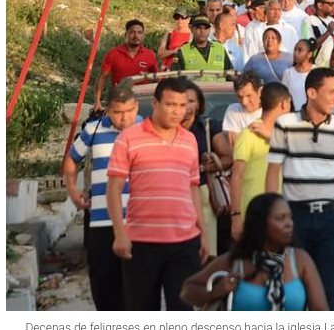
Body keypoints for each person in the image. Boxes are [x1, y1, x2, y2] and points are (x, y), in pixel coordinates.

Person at [106, 77, 208, 310]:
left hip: (185, 243)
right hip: (142, 245)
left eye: (183, 106)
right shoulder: (128, 138)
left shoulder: (189, 140)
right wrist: (119, 233)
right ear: (155, 103)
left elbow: (192, 188)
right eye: (171, 104)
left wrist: (203, 231)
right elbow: (113, 190)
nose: (178, 112)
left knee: (182, 312)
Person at [265, 67, 334, 311]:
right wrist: (270, 219)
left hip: (331, 218)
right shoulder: (285, 124)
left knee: (331, 294)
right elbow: (273, 172)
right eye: (332, 92)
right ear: (312, 93)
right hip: (295, 218)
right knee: (293, 293)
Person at [62, 83, 140, 310]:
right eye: (117, 112)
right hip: (101, 222)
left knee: (137, 288)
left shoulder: (147, 129)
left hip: (139, 222)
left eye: (129, 111)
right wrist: (72, 189)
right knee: (104, 285)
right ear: (107, 110)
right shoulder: (93, 130)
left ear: (136, 107)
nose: (124, 118)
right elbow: (72, 158)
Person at [181, 193, 329, 311]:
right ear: (260, 224)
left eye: (290, 217)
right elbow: (187, 291)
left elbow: (321, 310)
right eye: (280, 218)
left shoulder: (300, 259)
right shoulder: (235, 262)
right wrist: (216, 291)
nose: (289, 224)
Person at [230, 82, 293, 239]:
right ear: (284, 103)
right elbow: (236, 177)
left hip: (281, 214)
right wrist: (236, 217)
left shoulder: (288, 136)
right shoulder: (249, 133)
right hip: (252, 215)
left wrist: (272, 137)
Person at [181, 82, 233, 258]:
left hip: (205, 193)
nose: (187, 107)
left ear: (199, 104)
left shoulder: (208, 127)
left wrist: (202, 167)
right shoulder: (166, 129)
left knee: (208, 252)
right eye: (182, 102)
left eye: (191, 101)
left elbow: (228, 158)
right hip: (173, 196)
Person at [93, 19, 158, 109]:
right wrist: (97, 101)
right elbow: (102, 77)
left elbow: (156, 80)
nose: (136, 36)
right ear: (126, 34)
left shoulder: (150, 55)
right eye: (132, 32)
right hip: (119, 100)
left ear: (143, 36)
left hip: (143, 101)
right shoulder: (113, 54)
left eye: (140, 33)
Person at [172, 15, 231, 79]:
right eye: (198, 28)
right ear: (192, 29)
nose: (202, 31)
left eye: (205, 28)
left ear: (209, 30)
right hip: (193, 89)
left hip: (220, 89)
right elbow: (174, 79)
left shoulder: (220, 48)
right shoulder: (182, 52)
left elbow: (230, 74)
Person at [222, 72, 264, 145]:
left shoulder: (270, 111)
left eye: (249, 96)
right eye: (240, 97)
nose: (244, 102)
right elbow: (234, 144)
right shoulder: (233, 110)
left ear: (260, 91)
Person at [282, 38, 315, 112]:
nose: (295, 53)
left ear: (309, 54)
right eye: (295, 50)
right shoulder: (288, 73)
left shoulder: (316, 71)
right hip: (294, 116)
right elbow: (284, 96)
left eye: (300, 50)